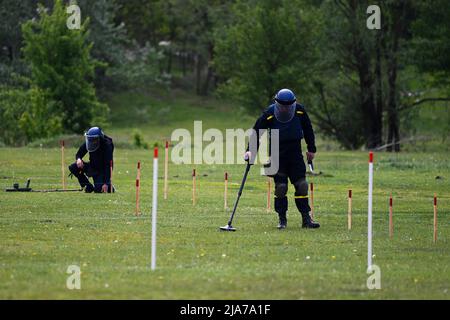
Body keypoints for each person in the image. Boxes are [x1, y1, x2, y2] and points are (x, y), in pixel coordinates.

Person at [244, 88, 320, 229]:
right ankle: (282, 219)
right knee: (281, 187)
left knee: (302, 185)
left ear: (293, 103)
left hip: (295, 153)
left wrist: (311, 148)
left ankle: (306, 219)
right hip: (276, 153)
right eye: (282, 106)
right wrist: (250, 151)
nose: (285, 108)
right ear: (277, 103)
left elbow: (308, 129)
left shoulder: (300, 111)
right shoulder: (269, 113)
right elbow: (257, 131)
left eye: (288, 106)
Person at [69, 127, 114, 193]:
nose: (91, 141)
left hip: (101, 171)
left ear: (100, 139)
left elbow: (108, 166)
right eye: (90, 139)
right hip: (92, 166)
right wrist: (78, 159)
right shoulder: (89, 141)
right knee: (73, 167)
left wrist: (106, 183)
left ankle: (109, 187)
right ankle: (88, 186)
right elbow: (79, 153)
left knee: (99, 190)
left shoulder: (107, 146)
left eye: (94, 139)